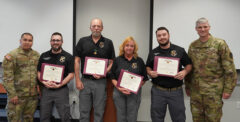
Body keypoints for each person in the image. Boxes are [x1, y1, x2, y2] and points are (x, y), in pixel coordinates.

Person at [185, 17, 237, 122]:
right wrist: (187, 86)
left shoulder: (220, 44)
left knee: (213, 119)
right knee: (197, 119)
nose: (202, 29)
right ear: (196, 29)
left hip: (213, 92)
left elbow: (229, 69)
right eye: (200, 27)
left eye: (205, 27)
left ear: (209, 28)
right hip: (196, 92)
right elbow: (189, 68)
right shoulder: (193, 46)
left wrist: (228, 89)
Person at [146, 27, 192, 122]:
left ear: (168, 35)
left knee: (179, 119)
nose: (162, 37)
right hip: (158, 91)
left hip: (176, 92)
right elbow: (147, 66)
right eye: (159, 35)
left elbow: (189, 65)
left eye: (164, 35)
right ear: (156, 37)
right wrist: (150, 72)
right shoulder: (153, 52)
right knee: (156, 118)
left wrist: (184, 72)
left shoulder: (179, 50)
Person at [75, 18, 115, 122]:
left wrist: (104, 73)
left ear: (102, 28)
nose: (96, 28)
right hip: (85, 81)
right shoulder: (82, 41)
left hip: (101, 83)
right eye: (94, 26)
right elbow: (76, 61)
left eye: (98, 26)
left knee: (99, 111)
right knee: (84, 111)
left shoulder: (108, 42)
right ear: (90, 27)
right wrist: (77, 80)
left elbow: (112, 62)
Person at [2, 32, 40, 122]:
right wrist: (12, 95)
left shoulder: (36, 55)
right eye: (25, 40)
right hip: (17, 97)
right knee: (14, 119)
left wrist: (40, 90)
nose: (27, 42)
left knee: (29, 119)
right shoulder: (12, 55)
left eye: (30, 40)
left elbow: (39, 74)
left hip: (32, 97)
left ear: (32, 42)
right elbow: (7, 78)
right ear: (20, 41)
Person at [37, 32, 74, 122]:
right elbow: (39, 72)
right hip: (46, 89)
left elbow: (71, 74)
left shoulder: (68, 56)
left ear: (62, 42)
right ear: (50, 42)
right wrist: (43, 82)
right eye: (53, 40)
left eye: (58, 40)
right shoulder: (44, 55)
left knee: (65, 116)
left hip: (61, 90)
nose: (55, 42)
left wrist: (60, 84)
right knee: (44, 116)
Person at [110, 36, 148, 122]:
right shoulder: (117, 60)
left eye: (132, 46)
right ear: (123, 47)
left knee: (132, 116)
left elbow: (144, 78)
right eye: (127, 45)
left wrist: (134, 87)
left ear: (134, 48)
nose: (129, 48)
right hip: (119, 92)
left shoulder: (139, 61)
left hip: (134, 93)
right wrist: (119, 88)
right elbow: (112, 76)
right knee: (120, 116)